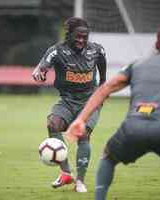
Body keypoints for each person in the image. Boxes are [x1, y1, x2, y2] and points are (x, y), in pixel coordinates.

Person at [66, 24, 160, 200]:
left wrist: (81, 119)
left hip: (133, 127)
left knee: (108, 157)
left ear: (156, 44)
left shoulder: (137, 64)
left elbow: (105, 88)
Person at [32, 17, 107, 192]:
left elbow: (103, 73)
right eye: (77, 37)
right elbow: (41, 67)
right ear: (69, 35)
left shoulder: (97, 50)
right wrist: (39, 73)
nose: (81, 40)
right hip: (67, 100)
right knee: (53, 124)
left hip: (89, 101)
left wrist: (102, 90)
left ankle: (80, 181)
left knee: (82, 135)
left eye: (84, 37)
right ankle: (66, 173)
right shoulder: (57, 51)